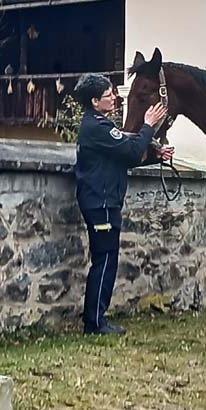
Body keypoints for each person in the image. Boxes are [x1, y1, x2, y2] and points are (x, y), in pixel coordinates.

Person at [72, 73, 174, 335]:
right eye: (109, 95)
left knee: (106, 259)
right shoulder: (96, 127)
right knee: (104, 260)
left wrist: (155, 155)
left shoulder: (101, 127)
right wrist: (149, 125)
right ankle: (95, 323)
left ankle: (96, 319)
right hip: (101, 202)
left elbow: (125, 155)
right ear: (95, 101)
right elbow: (128, 150)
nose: (114, 98)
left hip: (105, 200)